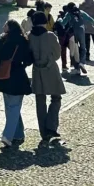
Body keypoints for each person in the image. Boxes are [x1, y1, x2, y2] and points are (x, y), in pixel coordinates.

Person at [0, 20, 33, 148]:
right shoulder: (23, 41)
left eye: (5, 25)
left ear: (9, 28)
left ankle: (8, 136)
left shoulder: (1, 40)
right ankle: (17, 134)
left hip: (4, 77)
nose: (3, 26)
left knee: (10, 107)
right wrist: (21, 64)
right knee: (14, 107)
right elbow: (29, 59)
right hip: (18, 76)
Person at [28, 12, 65, 144]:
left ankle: (43, 132)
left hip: (37, 71)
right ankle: (51, 126)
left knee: (40, 101)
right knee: (56, 97)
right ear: (44, 22)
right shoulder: (50, 36)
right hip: (50, 70)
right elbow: (56, 55)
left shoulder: (30, 36)